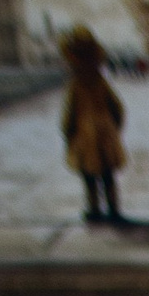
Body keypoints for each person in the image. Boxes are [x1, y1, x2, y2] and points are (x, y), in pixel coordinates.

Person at [59, 30, 127, 227]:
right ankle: (114, 210)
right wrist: (114, 129)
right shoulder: (101, 81)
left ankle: (94, 211)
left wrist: (68, 135)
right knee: (108, 176)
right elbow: (118, 108)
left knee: (89, 178)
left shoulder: (75, 85)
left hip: (84, 137)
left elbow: (68, 116)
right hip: (106, 134)